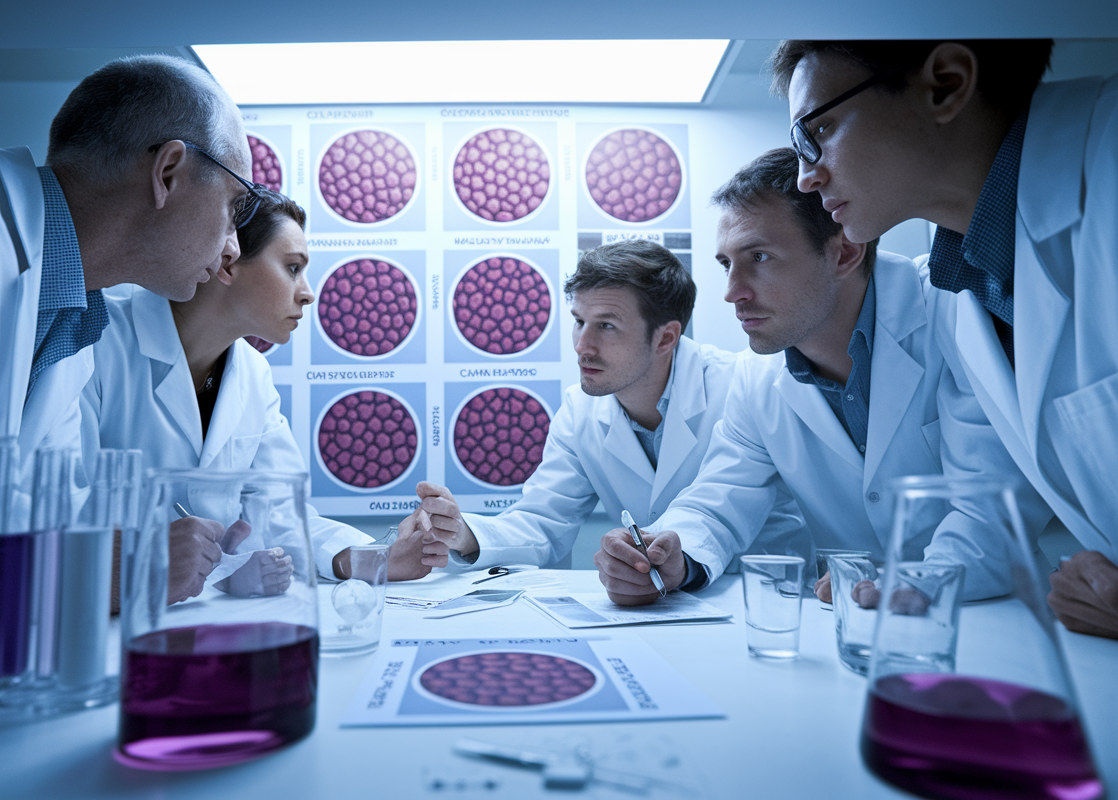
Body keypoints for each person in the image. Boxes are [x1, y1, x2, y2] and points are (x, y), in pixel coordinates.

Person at [0, 55, 254, 662]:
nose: (232, 248)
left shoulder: (71, 322)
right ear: (168, 172)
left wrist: (146, 551)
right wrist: (132, 568)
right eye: (236, 208)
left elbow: (39, 529)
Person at [595, 148, 1053, 606]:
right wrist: (672, 554)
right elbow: (720, 497)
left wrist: (911, 581)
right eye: (726, 264)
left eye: (759, 257)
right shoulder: (758, 379)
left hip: (993, 615)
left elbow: (991, 509)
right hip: (852, 623)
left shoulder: (953, 313)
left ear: (844, 252)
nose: (733, 292)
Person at [771, 39, 1118, 638]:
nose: (805, 177)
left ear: (946, 84)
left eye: (816, 132)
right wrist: (913, 582)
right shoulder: (965, 281)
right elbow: (986, 498)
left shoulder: (1110, 166)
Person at [82, 189, 430, 601]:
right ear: (227, 260)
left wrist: (378, 559)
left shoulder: (253, 374)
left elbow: (284, 514)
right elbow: (53, 506)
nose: (308, 292)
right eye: (293, 267)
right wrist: (144, 560)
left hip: (199, 619)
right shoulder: (94, 339)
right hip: (95, 616)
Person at [412, 240, 807, 580]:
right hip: (655, 599)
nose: (583, 346)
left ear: (666, 337)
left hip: (756, 595)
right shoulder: (579, 410)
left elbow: (719, 510)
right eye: (579, 321)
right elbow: (544, 522)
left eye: (606, 326)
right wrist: (465, 534)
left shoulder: (741, 385)